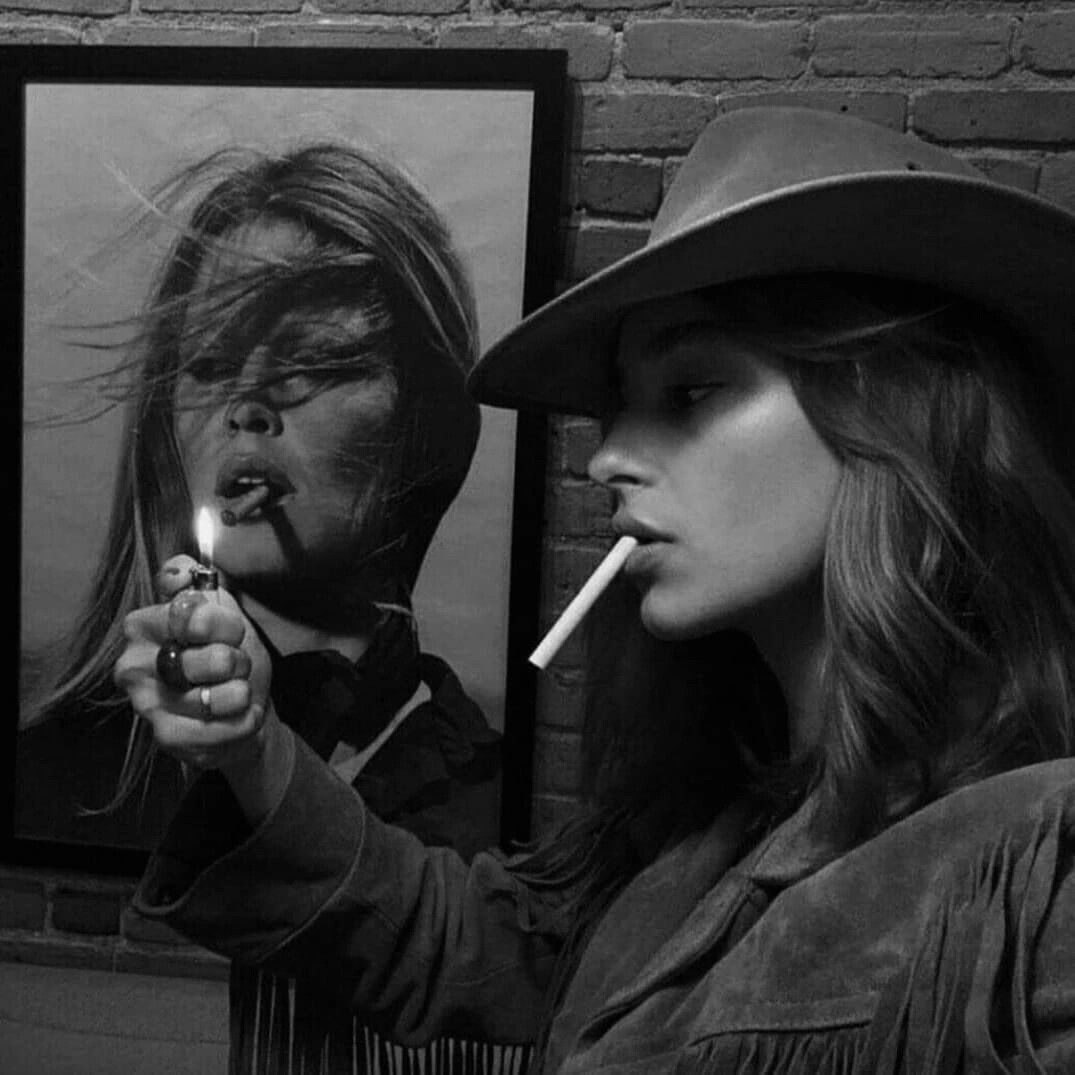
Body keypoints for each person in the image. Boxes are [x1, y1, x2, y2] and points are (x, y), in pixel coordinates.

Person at [120, 108, 1075, 1072]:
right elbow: (466, 949)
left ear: (893, 409)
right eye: (619, 403)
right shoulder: (701, 826)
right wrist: (251, 748)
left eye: (688, 391)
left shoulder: (1037, 881)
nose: (608, 456)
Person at [18, 142, 512, 1072]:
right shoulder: (59, 768)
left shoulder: (495, 794)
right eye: (208, 365)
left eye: (314, 365)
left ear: (424, 421)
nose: (247, 405)